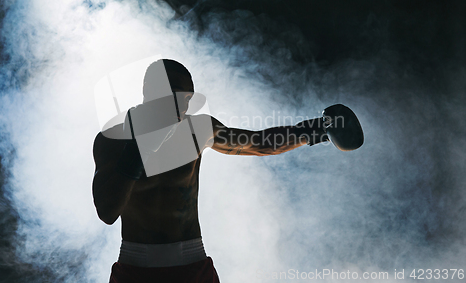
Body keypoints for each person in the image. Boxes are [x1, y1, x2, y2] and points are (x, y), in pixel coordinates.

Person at [92, 59, 363, 283]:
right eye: (173, 95)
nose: (181, 106)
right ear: (149, 91)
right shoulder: (114, 139)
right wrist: (139, 151)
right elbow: (107, 212)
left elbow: (258, 143)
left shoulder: (197, 129)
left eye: (186, 98)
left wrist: (314, 129)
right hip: (136, 266)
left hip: (192, 263)